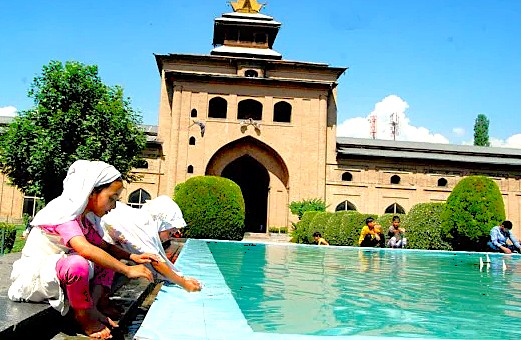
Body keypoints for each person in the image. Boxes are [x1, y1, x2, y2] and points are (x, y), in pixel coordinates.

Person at [8, 160, 160, 339]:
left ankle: (96, 305)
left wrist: (133, 256)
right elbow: (85, 249)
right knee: (79, 263)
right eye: (111, 198)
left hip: (61, 275)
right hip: (37, 279)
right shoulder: (63, 214)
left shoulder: (83, 220)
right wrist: (127, 270)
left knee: (106, 259)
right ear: (91, 192)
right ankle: (83, 316)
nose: (113, 206)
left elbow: (104, 246)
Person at [99, 196, 201, 291]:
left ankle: (103, 300)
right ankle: (100, 302)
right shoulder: (142, 225)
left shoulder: (143, 220)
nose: (170, 237)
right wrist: (184, 284)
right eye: (170, 233)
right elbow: (157, 263)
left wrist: (181, 278)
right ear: (162, 225)